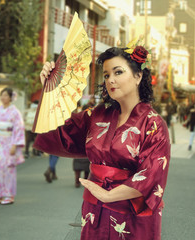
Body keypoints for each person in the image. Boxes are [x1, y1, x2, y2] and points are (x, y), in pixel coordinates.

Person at [34, 45, 170, 239]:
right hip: (94, 210)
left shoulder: (153, 123)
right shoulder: (97, 115)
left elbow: (152, 175)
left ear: (138, 76)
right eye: (106, 75)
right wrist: (49, 92)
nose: (110, 80)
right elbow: (61, 133)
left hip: (131, 213)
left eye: (118, 72)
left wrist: (107, 195)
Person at [0, 87, 25, 205]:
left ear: (11, 98)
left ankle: (9, 194)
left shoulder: (15, 112)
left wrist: (14, 144)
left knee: (8, 168)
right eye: (1, 95)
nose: (3, 97)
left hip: (9, 142)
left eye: (6, 95)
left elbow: (18, 128)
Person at [72, 97, 95, 188]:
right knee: (86, 165)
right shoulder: (92, 120)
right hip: (87, 145)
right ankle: (85, 180)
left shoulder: (79, 119)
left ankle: (77, 181)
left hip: (78, 145)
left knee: (77, 164)